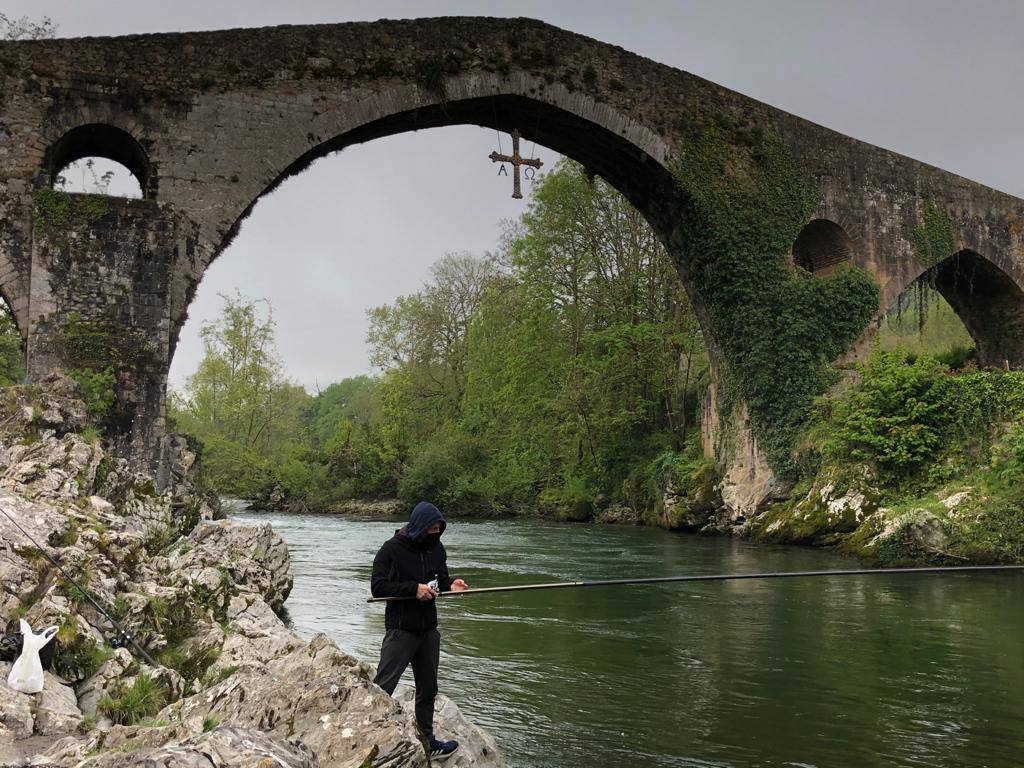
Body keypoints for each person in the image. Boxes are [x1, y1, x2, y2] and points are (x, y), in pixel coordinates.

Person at [371, 501, 468, 762]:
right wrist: (414, 589)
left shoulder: (436, 548)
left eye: (438, 530)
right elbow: (378, 588)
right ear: (418, 527)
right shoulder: (391, 550)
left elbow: (441, 580)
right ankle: (367, 738)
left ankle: (427, 742)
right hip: (401, 631)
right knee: (382, 687)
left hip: (428, 632)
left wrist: (452, 585)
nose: (435, 534)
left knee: (428, 689)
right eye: (431, 529)